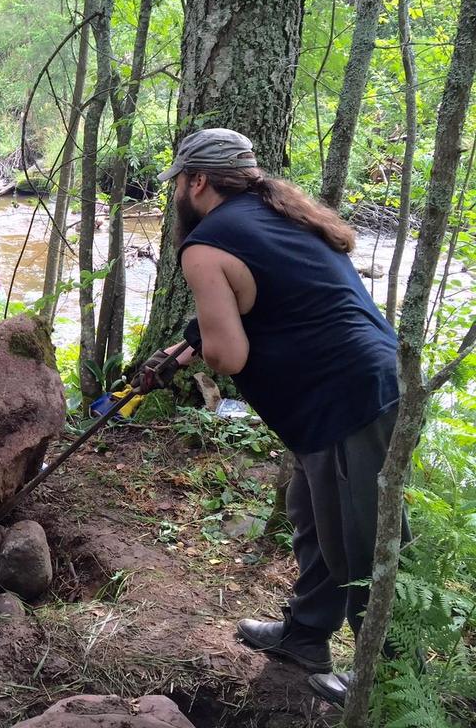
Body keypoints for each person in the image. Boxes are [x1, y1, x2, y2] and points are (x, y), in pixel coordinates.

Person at [138, 128, 403, 707]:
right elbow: (276, 298)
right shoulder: (277, 211)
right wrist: (184, 346)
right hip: (356, 380)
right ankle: (307, 634)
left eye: (179, 182)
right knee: (310, 513)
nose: (177, 193)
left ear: (197, 181)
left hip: (346, 397)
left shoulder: (205, 245)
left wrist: (203, 349)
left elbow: (228, 355)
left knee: (360, 537)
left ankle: (387, 680)